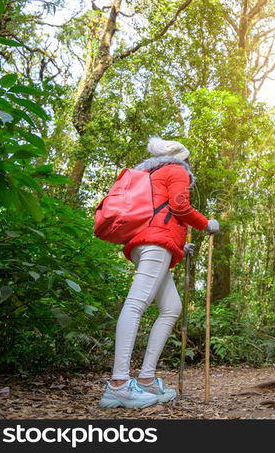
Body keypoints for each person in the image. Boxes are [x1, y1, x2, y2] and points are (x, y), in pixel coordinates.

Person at [99, 136, 219, 409]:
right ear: (182, 158)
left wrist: (180, 245)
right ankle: (118, 384)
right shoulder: (176, 169)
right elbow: (179, 206)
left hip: (149, 243)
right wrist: (206, 224)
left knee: (171, 307)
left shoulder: (149, 173)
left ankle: (146, 379)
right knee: (135, 305)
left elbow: (160, 213)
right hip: (155, 245)